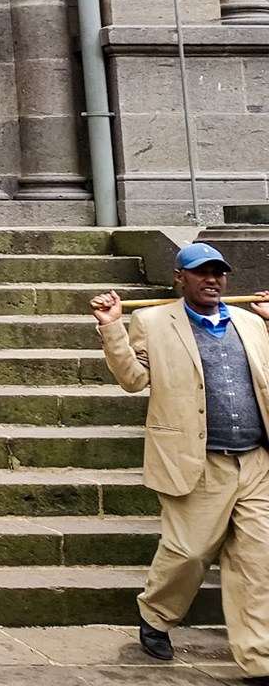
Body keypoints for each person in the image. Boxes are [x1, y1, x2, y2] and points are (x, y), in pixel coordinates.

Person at [92, 242, 269, 682]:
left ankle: (259, 660)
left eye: (218, 272)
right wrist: (112, 328)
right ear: (179, 277)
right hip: (196, 460)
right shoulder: (152, 321)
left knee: (258, 562)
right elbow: (133, 379)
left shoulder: (251, 322)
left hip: (256, 461)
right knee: (188, 553)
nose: (212, 280)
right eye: (201, 272)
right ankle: (155, 614)